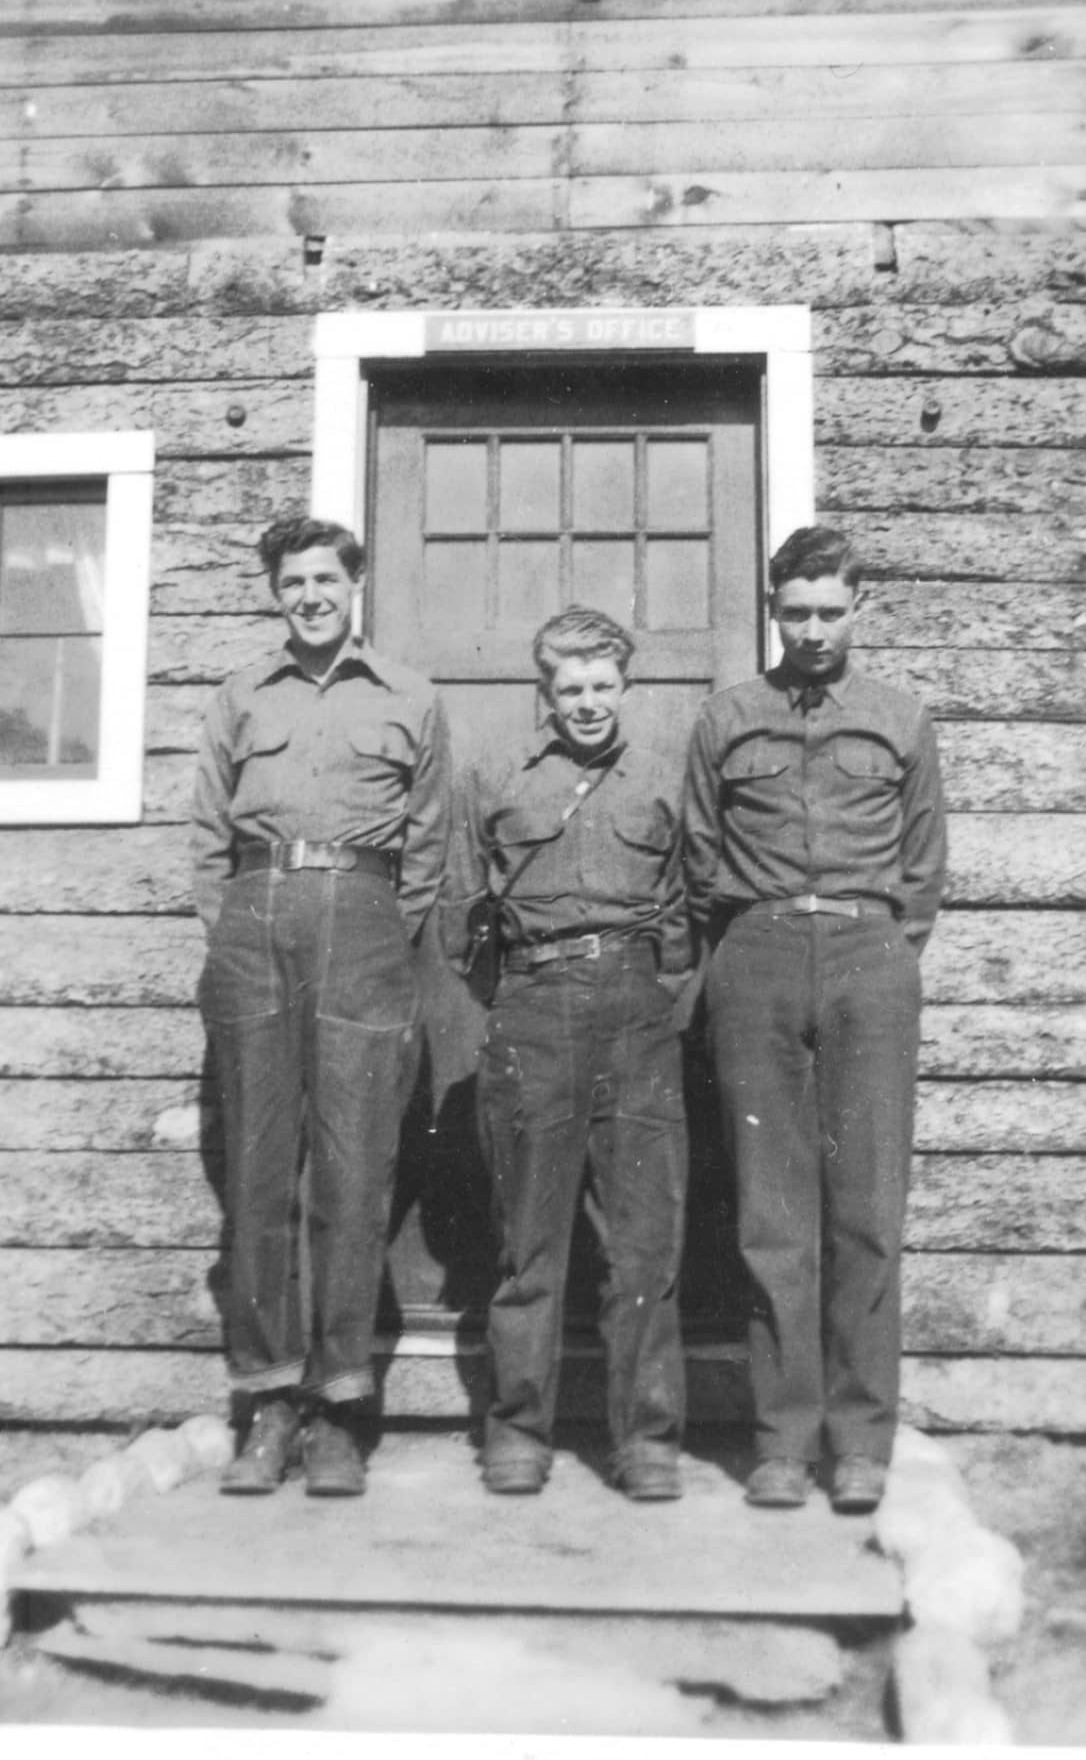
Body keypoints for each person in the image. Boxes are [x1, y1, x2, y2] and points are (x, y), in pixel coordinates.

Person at [683, 526, 946, 1514]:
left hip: (867, 957)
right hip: (752, 957)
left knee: (866, 1209)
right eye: (794, 612)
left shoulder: (896, 718)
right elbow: (697, 855)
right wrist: (747, 945)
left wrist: (876, 948)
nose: (811, 630)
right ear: (772, 609)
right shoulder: (728, 718)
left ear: (857, 607)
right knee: (772, 1213)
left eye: (829, 611)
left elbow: (923, 865)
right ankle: (781, 1440)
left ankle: (860, 1439)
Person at [191, 515, 450, 1497]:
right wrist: (235, 931)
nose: (308, 595)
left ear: (354, 586)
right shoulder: (237, 695)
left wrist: (374, 921)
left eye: (325, 579)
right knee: (260, 1175)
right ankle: (267, 1401)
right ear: (274, 592)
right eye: (292, 581)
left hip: (366, 918)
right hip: (256, 916)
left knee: (351, 1174)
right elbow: (208, 836)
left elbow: (425, 847)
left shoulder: (410, 698)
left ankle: (339, 1406)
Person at [443, 607, 691, 1501]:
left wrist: (653, 994)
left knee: (642, 1243)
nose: (587, 703)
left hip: (634, 1014)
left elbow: (686, 910)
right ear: (545, 693)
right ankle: (517, 1429)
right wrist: (515, 997)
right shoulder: (494, 778)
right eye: (570, 688)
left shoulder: (663, 777)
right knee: (528, 1242)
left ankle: (647, 1439)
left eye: (602, 685)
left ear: (625, 686)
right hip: (533, 1007)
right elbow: (458, 912)